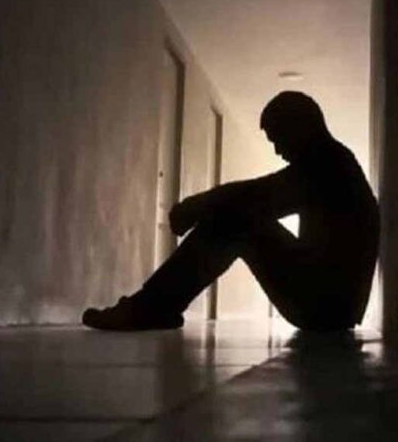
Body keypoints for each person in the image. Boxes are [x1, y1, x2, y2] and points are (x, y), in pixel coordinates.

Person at [82, 91, 379, 332]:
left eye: (279, 138)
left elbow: (259, 195)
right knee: (235, 214)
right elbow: (262, 194)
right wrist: (204, 205)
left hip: (325, 308)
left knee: (232, 220)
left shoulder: (329, 166)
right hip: (329, 305)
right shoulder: (334, 162)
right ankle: (154, 306)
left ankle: (150, 308)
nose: (278, 151)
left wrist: (195, 206)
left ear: (300, 126)